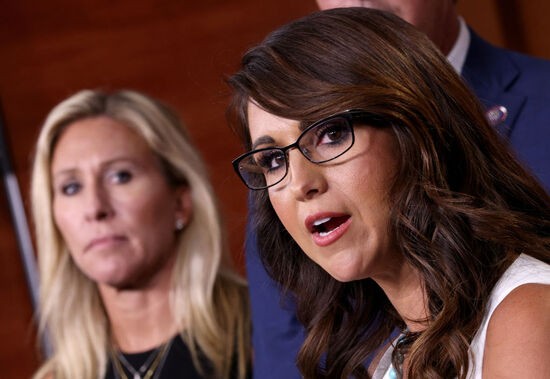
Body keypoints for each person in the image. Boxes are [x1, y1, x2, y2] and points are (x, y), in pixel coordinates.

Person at [228, 8, 550, 379]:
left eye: (331, 134)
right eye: (272, 159)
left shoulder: (527, 314)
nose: (301, 183)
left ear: (416, 131)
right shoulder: (394, 356)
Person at [31, 89, 251, 379]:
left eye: (120, 176)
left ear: (180, 203)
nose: (95, 207)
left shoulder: (267, 332)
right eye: (71, 187)